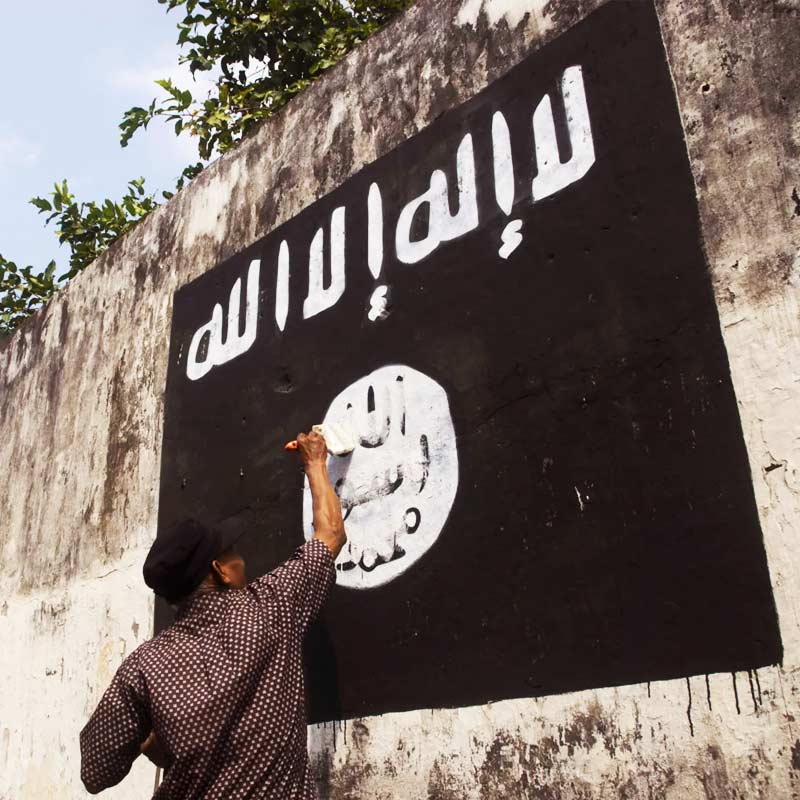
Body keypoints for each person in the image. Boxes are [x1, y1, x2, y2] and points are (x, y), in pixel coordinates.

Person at [79, 429, 346, 798]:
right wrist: (315, 462)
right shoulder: (271, 607)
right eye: (234, 553)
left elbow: (95, 771)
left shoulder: (144, 668)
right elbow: (330, 533)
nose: (243, 560)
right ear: (221, 569)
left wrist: (159, 737)